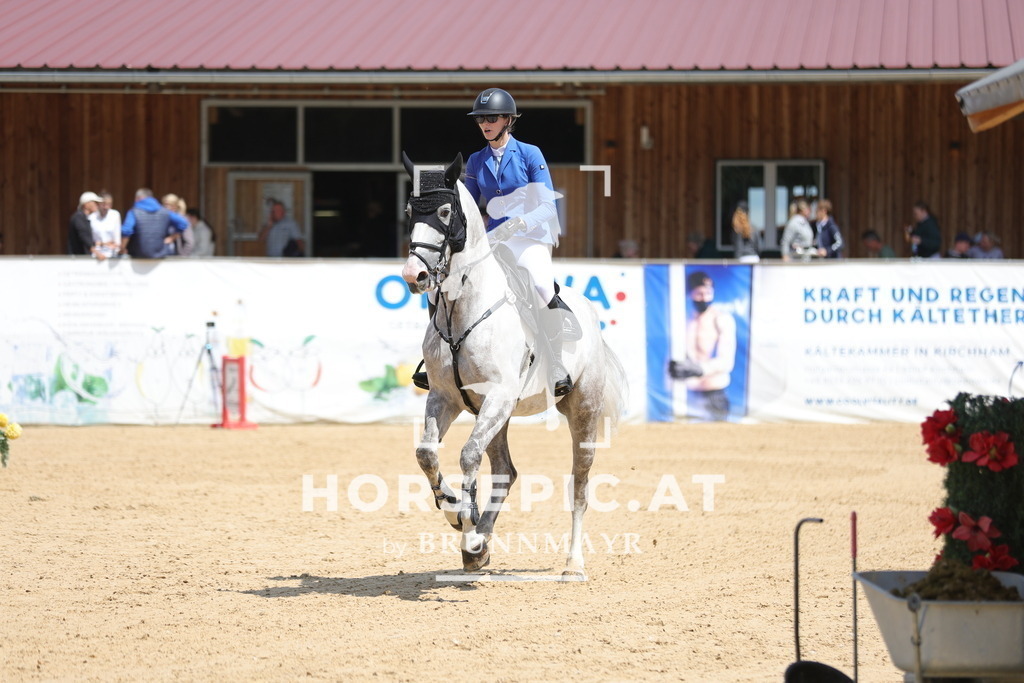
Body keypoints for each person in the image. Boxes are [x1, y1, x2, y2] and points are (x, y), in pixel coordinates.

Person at [412, 87, 575, 397]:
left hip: (529, 237)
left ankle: (556, 364)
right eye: (480, 119)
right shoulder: (476, 160)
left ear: (507, 120)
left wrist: (521, 222)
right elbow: (469, 206)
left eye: (490, 117)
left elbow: (547, 205)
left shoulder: (529, 153)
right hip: (493, 238)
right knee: (440, 290)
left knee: (540, 286)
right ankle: (434, 358)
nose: (484, 123)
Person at [668, 270, 736, 421]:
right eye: (699, 293)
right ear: (690, 293)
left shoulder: (721, 319)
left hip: (715, 393)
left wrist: (700, 369)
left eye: (708, 292)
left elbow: (727, 361)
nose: (704, 297)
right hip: (689, 394)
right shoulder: (685, 320)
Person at [120, 188, 189, 259]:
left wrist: (122, 248)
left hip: (138, 252)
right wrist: (172, 238)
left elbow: (126, 230)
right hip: (161, 252)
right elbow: (183, 223)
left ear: (137, 198)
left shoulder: (133, 211)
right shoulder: (165, 211)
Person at [89, 190, 122, 260]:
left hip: (112, 255)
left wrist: (101, 244)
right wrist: (104, 244)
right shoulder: (91, 217)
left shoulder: (115, 215)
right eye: (104, 204)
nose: (106, 207)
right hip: (95, 256)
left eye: (109, 204)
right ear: (98, 204)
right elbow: (90, 241)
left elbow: (117, 241)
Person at [68, 191, 102, 256]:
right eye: (95, 202)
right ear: (86, 204)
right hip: (77, 259)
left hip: (83, 258)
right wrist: (97, 253)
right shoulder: (78, 217)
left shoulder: (85, 218)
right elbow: (83, 236)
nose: (97, 205)